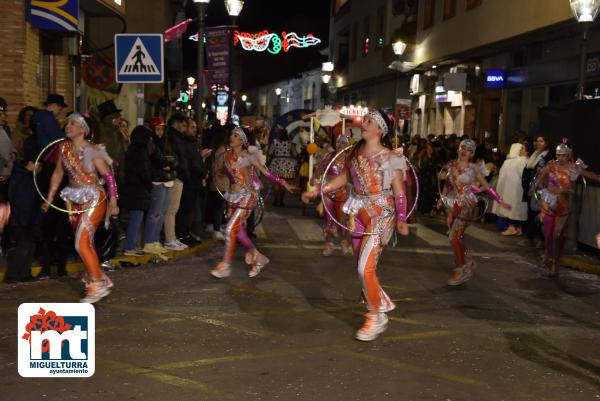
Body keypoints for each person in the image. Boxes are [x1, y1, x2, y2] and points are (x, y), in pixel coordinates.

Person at [302, 110, 409, 342]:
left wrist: (402, 219)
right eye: (365, 120)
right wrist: (319, 191)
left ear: (380, 131)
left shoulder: (392, 157)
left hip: (382, 213)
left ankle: (374, 316)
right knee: (362, 265)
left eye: (369, 122)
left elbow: (399, 191)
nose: (364, 124)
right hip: (357, 210)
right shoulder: (354, 152)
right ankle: (378, 308)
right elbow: (344, 179)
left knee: (364, 269)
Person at [42, 113, 119, 303]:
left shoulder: (92, 150)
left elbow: (108, 177)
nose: (68, 126)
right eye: (67, 123)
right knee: (85, 243)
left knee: (80, 243)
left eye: (73, 123)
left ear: (82, 129)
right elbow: (58, 174)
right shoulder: (63, 148)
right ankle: (100, 277)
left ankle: (97, 284)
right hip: (73, 200)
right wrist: (49, 198)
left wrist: (114, 201)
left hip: (94, 197)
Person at [210, 126, 295, 279]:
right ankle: (258, 258)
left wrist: (283, 183)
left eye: (236, 136)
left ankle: (225, 265)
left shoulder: (249, 157)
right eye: (232, 135)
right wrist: (217, 170)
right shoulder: (226, 156)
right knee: (240, 234)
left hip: (247, 196)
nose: (232, 138)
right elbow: (225, 174)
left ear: (242, 141)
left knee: (229, 230)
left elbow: (266, 172)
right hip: (233, 196)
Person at [439, 139, 511, 286]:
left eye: (469, 150)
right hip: (453, 204)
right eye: (463, 148)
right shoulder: (451, 165)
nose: (465, 151)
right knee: (455, 238)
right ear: (458, 149)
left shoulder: (473, 169)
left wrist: (500, 200)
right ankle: (467, 259)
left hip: (466, 205)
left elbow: (487, 186)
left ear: (472, 154)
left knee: (454, 237)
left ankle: (460, 268)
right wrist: (442, 198)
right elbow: (447, 183)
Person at [536, 139, 600, 276]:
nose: (560, 158)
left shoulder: (574, 168)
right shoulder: (551, 166)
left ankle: (554, 262)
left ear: (569, 155)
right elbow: (540, 184)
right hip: (550, 205)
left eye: (563, 155)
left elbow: (591, 176)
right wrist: (547, 194)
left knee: (557, 234)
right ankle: (548, 253)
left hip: (565, 206)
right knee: (548, 234)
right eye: (558, 155)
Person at [4, 137, 43, 283]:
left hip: (30, 219)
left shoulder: (29, 177)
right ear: (31, 164)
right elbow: (21, 200)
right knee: (22, 247)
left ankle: (25, 273)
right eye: (38, 165)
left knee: (29, 247)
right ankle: (13, 275)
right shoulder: (22, 177)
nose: (40, 168)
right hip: (22, 220)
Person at [311, 133, 352, 256]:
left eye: (343, 143)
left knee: (341, 220)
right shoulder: (329, 156)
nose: (340, 145)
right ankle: (328, 245)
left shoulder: (350, 159)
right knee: (328, 220)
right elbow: (319, 169)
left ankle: (344, 243)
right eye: (338, 142)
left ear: (347, 145)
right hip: (328, 192)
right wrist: (315, 178)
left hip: (343, 193)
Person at [143, 117, 177, 256]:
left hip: (167, 180)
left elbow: (174, 159)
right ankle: (149, 241)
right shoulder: (150, 144)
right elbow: (158, 161)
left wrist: (168, 162)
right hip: (157, 181)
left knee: (162, 212)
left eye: (162, 129)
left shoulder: (166, 143)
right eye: (157, 129)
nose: (160, 132)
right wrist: (166, 162)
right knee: (155, 213)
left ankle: (155, 240)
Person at [174, 118, 208, 245]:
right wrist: (202, 172)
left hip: (194, 181)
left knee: (189, 210)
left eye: (195, 128)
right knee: (184, 209)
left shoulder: (192, 142)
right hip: (189, 180)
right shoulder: (185, 143)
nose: (195, 130)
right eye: (192, 127)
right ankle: (182, 235)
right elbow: (191, 163)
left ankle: (186, 233)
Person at [120, 126, 153, 256]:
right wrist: (149, 185)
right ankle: (129, 246)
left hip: (132, 188)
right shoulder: (140, 151)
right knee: (136, 218)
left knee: (136, 217)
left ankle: (132, 245)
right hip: (138, 189)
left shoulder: (132, 149)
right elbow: (143, 171)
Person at [519, 135, 553, 248]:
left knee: (538, 213)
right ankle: (530, 237)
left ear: (546, 143)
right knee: (530, 212)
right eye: (537, 141)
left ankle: (540, 238)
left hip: (541, 189)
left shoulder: (548, 155)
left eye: (541, 141)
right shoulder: (535, 154)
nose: (538, 143)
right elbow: (529, 170)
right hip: (531, 187)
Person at [163, 113, 189, 251]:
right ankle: (170, 238)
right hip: (176, 175)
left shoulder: (176, 137)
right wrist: (181, 169)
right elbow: (176, 156)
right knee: (171, 209)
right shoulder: (174, 137)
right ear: (177, 123)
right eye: (183, 125)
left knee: (173, 209)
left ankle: (172, 237)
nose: (184, 129)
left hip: (178, 174)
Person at [492, 143, 529, 236]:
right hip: (518, 190)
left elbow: (502, 178)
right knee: (517, 209)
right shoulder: (522, 161)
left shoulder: (509, 162)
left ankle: (514, 227)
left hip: (511, 190)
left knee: (513, 209)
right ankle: (517, 228)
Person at [268, 127, 297, 207]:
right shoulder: (290, 143)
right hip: (287, 164)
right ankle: (281, 200)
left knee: (276, 183)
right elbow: (294, 154)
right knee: (284, 183)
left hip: (276, 163)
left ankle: (275, 200)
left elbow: (270, 153)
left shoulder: (274, 142)